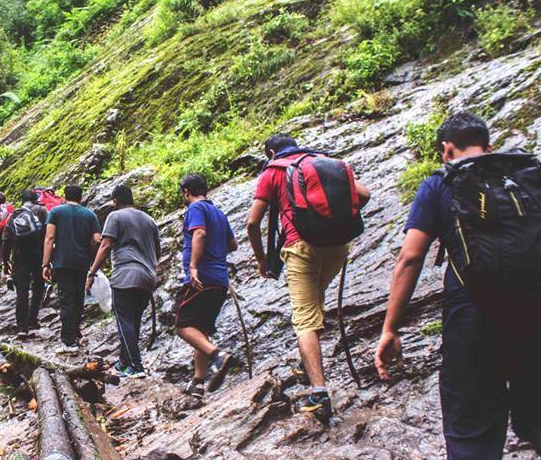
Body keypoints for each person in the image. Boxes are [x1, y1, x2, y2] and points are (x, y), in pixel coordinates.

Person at [375, 111, 540, 460]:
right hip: (534, 319)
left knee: (470, 438)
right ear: (487, 142)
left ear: (447, 148)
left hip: (473, 325)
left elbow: (410, 258)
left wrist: (390, 330)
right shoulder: (527, 174)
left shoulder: (440, 185)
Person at [245, 133, 371, 423]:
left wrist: (263, 259)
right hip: (337, 247)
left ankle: (318, 392)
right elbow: (363, 195)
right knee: (315, 305)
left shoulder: (273, 171)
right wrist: (338, 222)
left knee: (303, 319)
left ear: (271, 152)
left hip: (300, 247)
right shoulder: (323, 161)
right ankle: (307, 365)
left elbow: (253, 222)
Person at [86, 184, 161, 378]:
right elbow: (157, 250)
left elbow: (105, 245)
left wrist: (92, 273)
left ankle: (136, 366)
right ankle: (124, 362)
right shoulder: (149, 219)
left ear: (115, 201)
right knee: (132, 321)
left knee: (124, 320)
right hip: (147, 276)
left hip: (126, 275)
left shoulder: (115, 216)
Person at [175, 174, 238, 400]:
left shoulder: (196, 208)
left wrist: (193, 266)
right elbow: (232, 244)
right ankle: (198, 383)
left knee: (183, 325)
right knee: (200, 330)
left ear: (186, 191)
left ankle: (218, 355)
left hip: (202, 278)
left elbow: (199, 233)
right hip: (219, 280)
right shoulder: (219, 214)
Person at [42, 184, 101, 354]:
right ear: (80, 197)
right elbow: (97, 239)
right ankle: (76, 333)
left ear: (65, 197)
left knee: (67, 299)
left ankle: (69, 341)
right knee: (78, 298)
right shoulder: (89, 214)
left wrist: (45, 263)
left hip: (62, 262)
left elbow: (50, 237)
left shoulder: (56, 212)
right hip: (82, 262)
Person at [1, 191, 48, 335]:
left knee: (21, 289)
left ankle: (22, 326)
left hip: (19, 256)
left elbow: (6, 239)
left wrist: (5, 261)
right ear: (36, 200)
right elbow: (48, 234)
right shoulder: (42, 211)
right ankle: (33, 319)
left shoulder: (14, 214)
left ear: (22, 200)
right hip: (38, 255)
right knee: (38, 286)